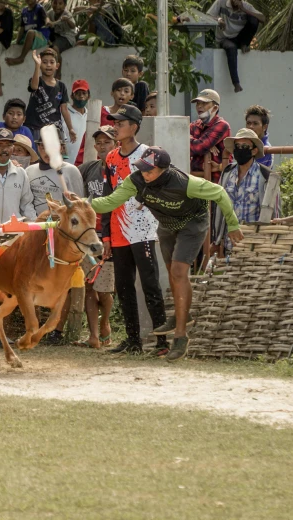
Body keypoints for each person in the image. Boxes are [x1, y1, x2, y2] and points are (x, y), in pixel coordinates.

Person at [92, 146, 243, 361]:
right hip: (166, 225)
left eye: (150, 170)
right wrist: (86, 203)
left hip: (193, 223)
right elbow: (110, 202)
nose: (144, 174)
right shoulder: (136, 181)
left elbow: (219, 193)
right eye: (142, 168)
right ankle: (183, 314)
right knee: (173, 272)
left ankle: (180, 336)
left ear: (164, 169)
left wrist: (233, 225)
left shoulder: (184, 183)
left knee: (180, 271)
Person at [102, 105, 166, 355]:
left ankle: (162, 342)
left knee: (150, 284)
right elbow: (107, 195)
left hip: (143, 229)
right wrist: (105, 234)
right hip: (118, 230)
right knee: (124, 286)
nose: (115, 127)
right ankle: (132, 340)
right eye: (115, 123)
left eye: (120, 123)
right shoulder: (109, 157)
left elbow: (160, 186)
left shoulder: (148, 154)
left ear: (134, 127)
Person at [78, 125, 117, 347]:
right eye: (99, 143)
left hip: (111, 235)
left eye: (107, 142)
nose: (102, 146)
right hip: (89, 236)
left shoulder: (119, 170)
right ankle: (93, 335)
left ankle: (106, 324)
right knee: (88, 286)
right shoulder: (88, 168)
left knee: (104, 288)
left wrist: (110, 238)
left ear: (115, 145)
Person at [212, 128, 280, 254]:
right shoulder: (227, 173)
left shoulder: (266, 176)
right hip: (230, 245)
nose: (240, 149)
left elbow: (275, 213)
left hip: (255, 247)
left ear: (254, 150)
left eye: (244, 146)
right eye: (237, 146)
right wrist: (216, 240)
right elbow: (219, 208)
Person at [207, 0, 265, 93]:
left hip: (239, 37)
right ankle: (236, 83)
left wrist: (244, 9)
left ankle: (244, 44)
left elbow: (262, 18)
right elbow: (208, 16)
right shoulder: (221, 2)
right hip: (224, 38)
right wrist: (218, 20)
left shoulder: (246, 6)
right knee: (231, 48)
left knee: (254, 19)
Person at [25, 49, 77, 146]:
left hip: (53, 130)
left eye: (51, 62)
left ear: (57, 66)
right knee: (35, 157)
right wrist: (37, 65)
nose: (48, 65)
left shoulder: (61, 86)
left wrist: (71, 128)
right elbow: (34, 87)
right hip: (35, 128)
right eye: (44, 62)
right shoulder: (36, 81)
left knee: (53, 159)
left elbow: (64, 109)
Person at [26, 130, 84, 215]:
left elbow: (79, 205)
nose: (47, 152)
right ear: (38, 147)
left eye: (52, 147)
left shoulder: (71, 171)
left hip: (61, 225)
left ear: (62, 148)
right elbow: (26, 202)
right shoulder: (29, 171)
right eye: (43, 147)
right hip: (36, 224)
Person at [190, 89, 230, 182]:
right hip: (194, 179)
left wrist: (202, 145)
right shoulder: (194, 125)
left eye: (204, 103)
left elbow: (199, 147)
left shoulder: (222, 125)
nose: (199, 106)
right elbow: (182, 144)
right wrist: (206, 144)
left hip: (216, 182)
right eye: (197, 103)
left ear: (215, 108)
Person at [5, 0, 50, 66]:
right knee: (11, 42)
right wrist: (17, 41)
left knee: (30, 32)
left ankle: (21, 58)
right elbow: (22, 27)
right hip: (27, 36)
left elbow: (46, 18)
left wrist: (48, 22)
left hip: (40, 36)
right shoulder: (24, 11)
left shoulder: (39, 8)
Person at [47, 0, 77, 77]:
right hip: (57, 36)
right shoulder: (50, 13)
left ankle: (58, 73)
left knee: (55, 49)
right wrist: (48, 22)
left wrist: (67, 20)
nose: (57, 6)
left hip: (67, 37)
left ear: (65, 5)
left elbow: (73, 26)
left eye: (60, 4)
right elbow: (45, 18)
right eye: (55, 3)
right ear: (52, 3)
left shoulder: (67, 14)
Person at [66, 79, 90, 165]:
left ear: (89, 96)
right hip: (66, 162)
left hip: (84, 163)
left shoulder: (91, 116)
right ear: (72, 96)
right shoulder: (64, 114)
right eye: (78, 93)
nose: (81, 96)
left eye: (84, 93)